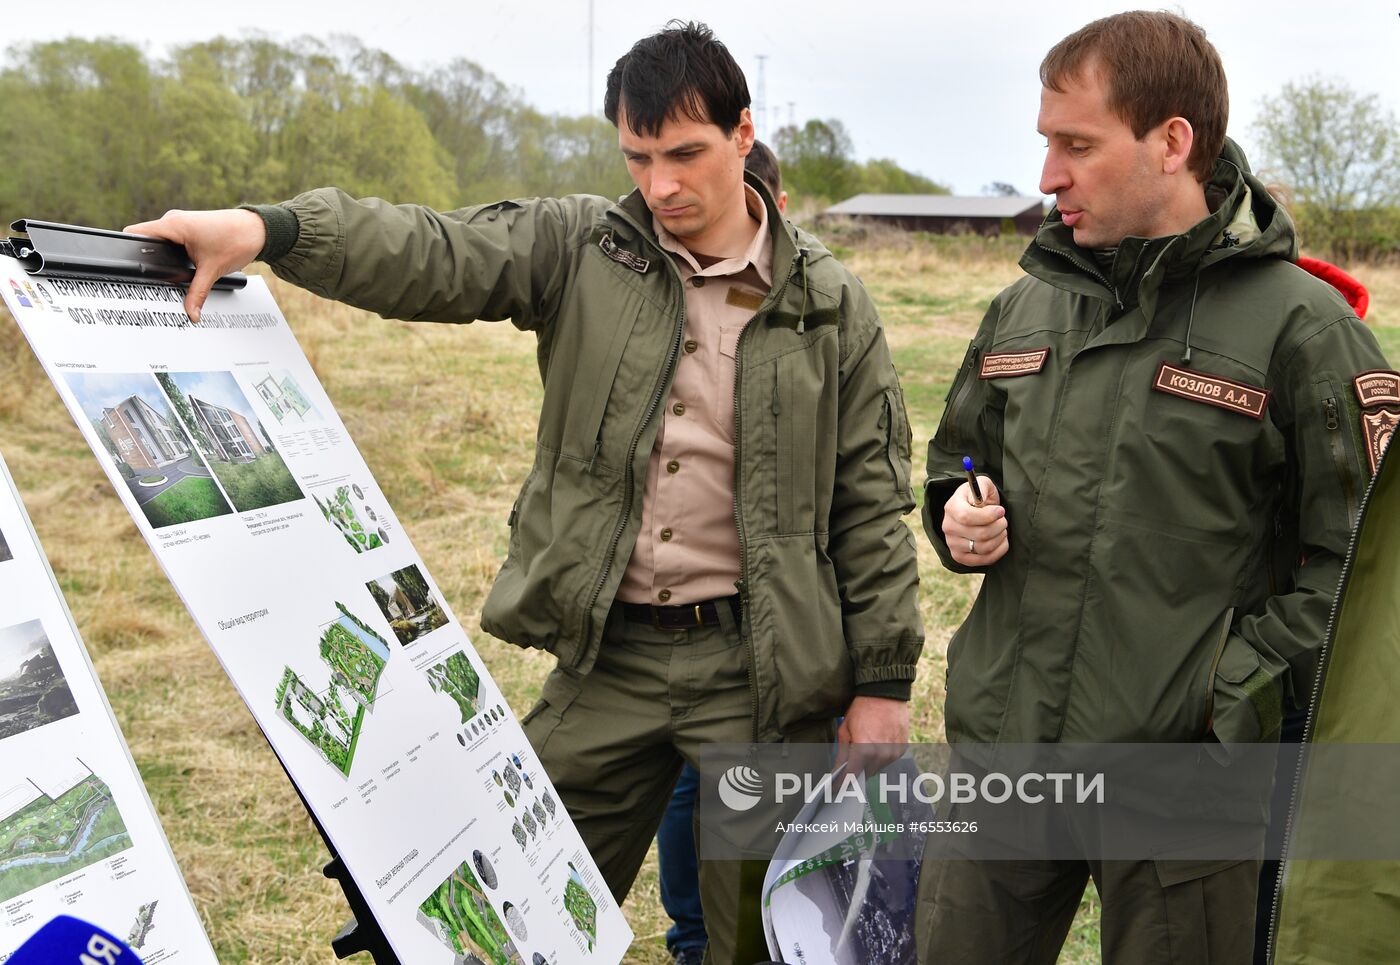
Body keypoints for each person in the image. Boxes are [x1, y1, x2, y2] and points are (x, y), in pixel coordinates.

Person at [129, 23, 922, 965]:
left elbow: (869, 505)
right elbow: (433, 249)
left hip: (761, 673)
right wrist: (272, 229)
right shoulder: (584, 248)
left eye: (685, 154)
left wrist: (882, 686)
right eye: (638, 156)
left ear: (744, 133)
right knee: (509, 905)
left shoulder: (830, 302)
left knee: (760, 934)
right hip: (609, 663)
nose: (661, 185)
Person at [918, 11, 1392, 964]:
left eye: (1078, 145)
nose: (1048, 175)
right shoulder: (1024, 304)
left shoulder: (1303, 328)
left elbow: (1364, 574)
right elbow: (955, 459)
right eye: (1046, 144)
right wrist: (957, 512)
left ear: (1173, 141)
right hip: (1005, 755)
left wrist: (1228, 693)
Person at [653, 138, 788, 965]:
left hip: (773, 613)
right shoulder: (669, 300)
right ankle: (701, 936)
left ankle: (727, 934)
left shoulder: (806, 298)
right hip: (702, 607)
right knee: (698, 783)